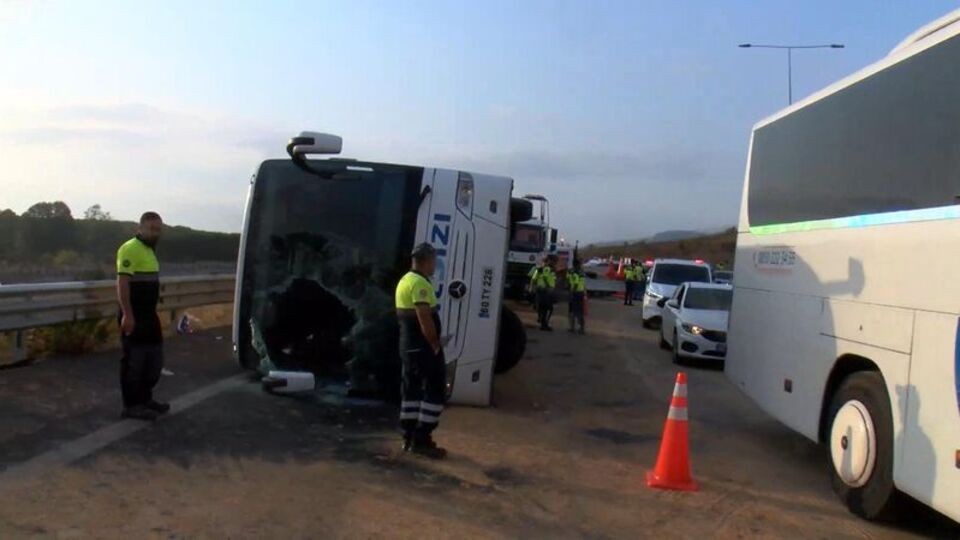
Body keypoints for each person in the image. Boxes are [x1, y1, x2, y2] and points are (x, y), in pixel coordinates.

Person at [395, 242, 447, 459]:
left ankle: (408, 436)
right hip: (423, 347)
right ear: (427, 261)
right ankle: (423, 437)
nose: (435, 265)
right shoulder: (420, 285)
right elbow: (424, 318)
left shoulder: (405, 280)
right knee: (434, 389)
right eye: (434, 261)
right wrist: (435, 343)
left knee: (411, 389)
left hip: (408, 346)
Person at [116, 212, 169, 421]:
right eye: (151, 228)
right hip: (134, 315)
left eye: (158, 229)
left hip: (149, 316)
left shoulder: (150, 251)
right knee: (134, 363)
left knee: (154, 362)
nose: (155, 232)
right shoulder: (130, 248)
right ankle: (131, 405)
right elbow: (122, 283)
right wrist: (127, 314)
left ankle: (145, 399)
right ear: (140, 228)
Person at [535, 255, 558, 331]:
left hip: (545, 289)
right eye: (554, 261)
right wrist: (548, 286)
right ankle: (544, 324)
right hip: (546, 290)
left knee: (545, 307)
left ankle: (543, 322)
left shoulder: (547, 268)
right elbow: (545, 277)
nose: (555, 263)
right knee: (547, 308)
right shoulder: (547, 268)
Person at [567, 261, 587, 334]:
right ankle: (581, 328)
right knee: (579, 311)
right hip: (580, 292)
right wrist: (585, 292)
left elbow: (575, 283)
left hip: (575, 293)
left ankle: (572, 327)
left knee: (572, 310)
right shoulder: (582, 272)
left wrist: (572, 292)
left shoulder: (573, 272)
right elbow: (583, 283)